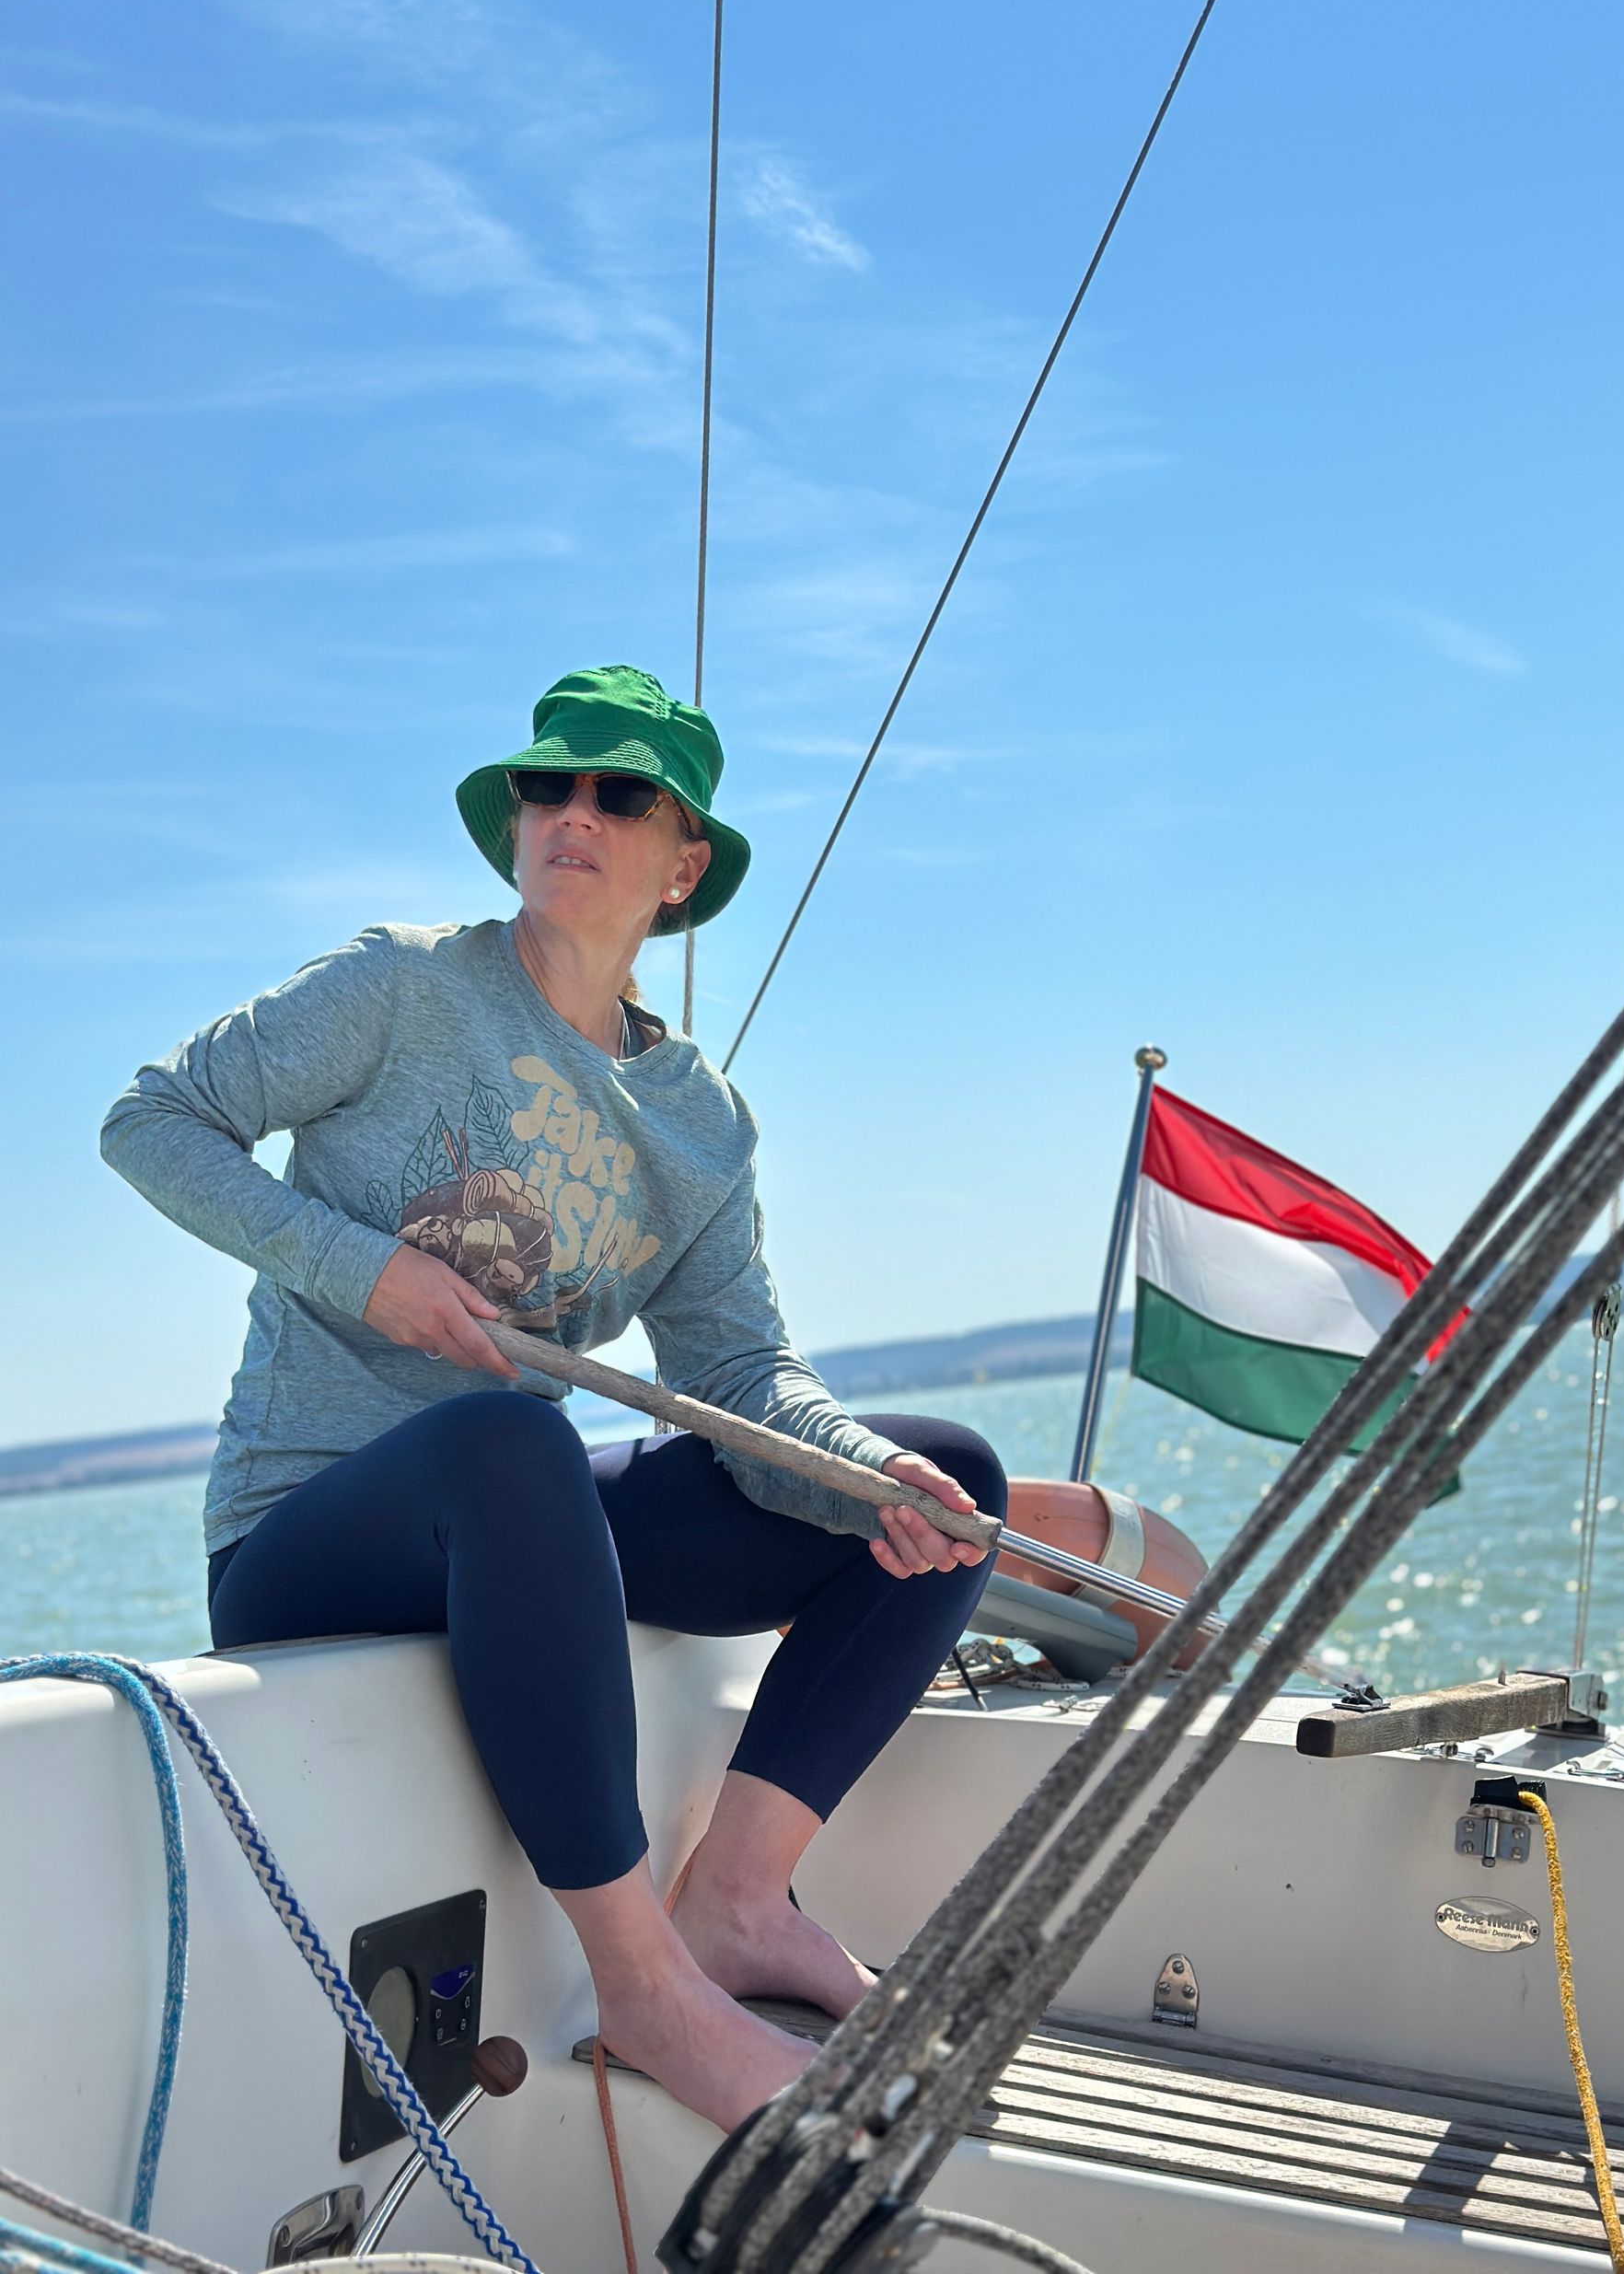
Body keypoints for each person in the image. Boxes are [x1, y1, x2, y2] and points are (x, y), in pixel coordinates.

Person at [100, 663, 1008, 2133]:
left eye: (619, 792)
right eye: (549, 784)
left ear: (684, 860)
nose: (572, 813)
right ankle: (646, 1991)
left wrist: (851, 1470)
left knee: (941, 1479)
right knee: (511, 1443)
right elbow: (150, 1119)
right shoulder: (401, 988)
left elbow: (734, 1375)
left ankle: (736, 1901)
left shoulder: (702, 1122)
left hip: (513, 1526)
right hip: (306, 1540)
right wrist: (361, 1269)